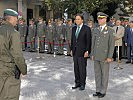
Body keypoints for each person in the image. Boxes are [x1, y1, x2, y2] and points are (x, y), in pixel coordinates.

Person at [0, 9, 27, 100]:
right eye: (16, 18)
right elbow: (17, 55)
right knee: (10, 96)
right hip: (9, 73)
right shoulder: (13, 33)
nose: (17, 20)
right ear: (10, 18)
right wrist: (23, 70)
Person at [91, 12, 115, 98]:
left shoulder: (110, 30)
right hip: (96, 55)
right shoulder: (95, 30)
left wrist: (109, 57)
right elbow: (93, 43)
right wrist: (92, 54)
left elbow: (111, 45)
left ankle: (103, 91)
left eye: (101, 18)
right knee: (97, 74)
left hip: (105, 56)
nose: (99, 20)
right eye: (98, 18)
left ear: (105, 19)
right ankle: (98, 90)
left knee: (104, 74)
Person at [71, 14, 91, 90]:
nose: (77, 20)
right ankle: (77, 83)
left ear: (82, 20)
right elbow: (73, 40)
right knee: (76, 68)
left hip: (83, 52)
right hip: (75, 52)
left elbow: (88, 41)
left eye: (78, 19)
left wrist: (87, 51)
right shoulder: (74, 28)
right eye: (76, 19)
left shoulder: (87, 28)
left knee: (82, 69)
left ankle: (83, 84)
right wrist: (72, 49)